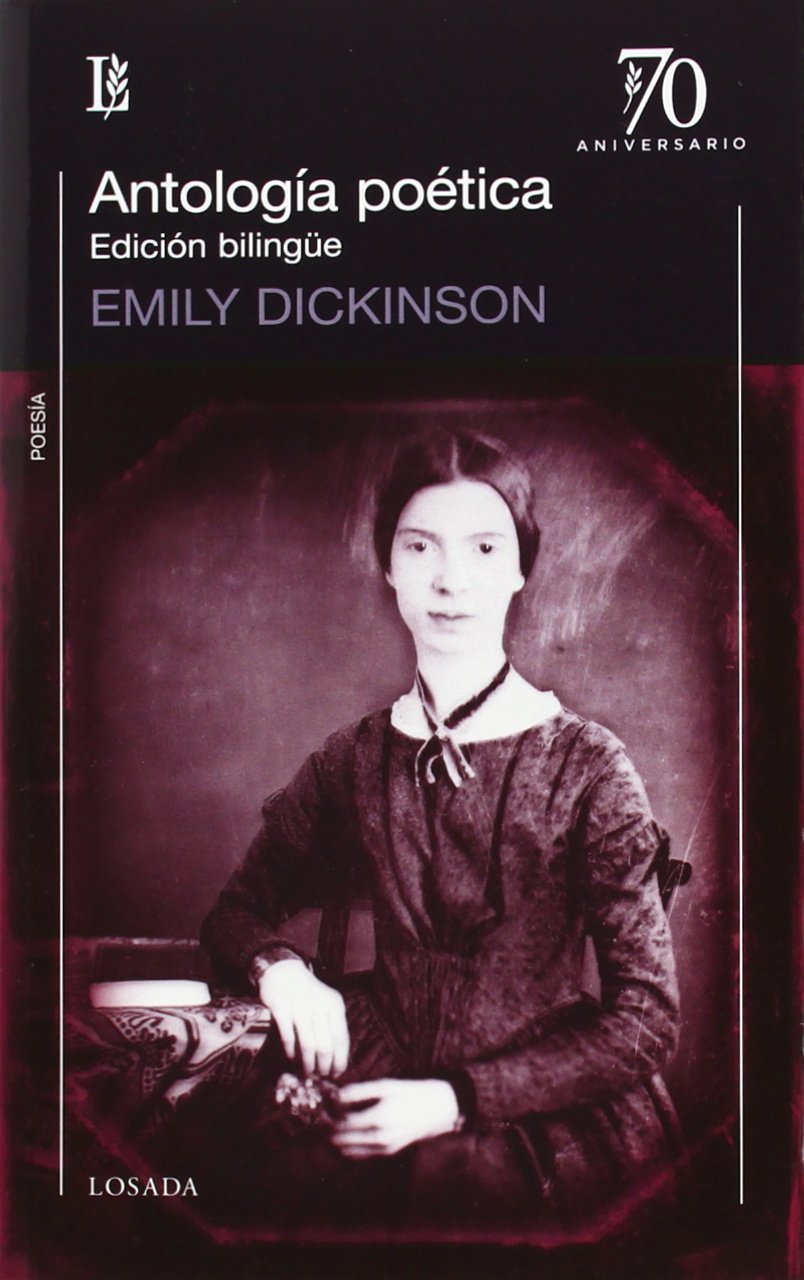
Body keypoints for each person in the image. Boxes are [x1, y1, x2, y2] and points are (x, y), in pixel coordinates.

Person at [199, 427, 683, 1240]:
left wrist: (454, 1101)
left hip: (535, 1116)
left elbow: (646, 1020)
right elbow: (234, 913)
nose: (451, 580)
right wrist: (280, 972)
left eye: (485, 548)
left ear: (521, 567)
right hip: (369, 1074)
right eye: (420, 546)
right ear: (388, 565)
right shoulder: (354, 756)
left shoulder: (590, 765)